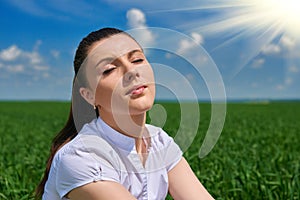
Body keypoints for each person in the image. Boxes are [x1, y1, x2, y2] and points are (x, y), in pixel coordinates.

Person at [36, 27, 214, 200]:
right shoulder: (80, 158)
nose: (131, 71)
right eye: (109, 69)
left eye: (137, 60)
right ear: (89, 95)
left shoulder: (159, 142)